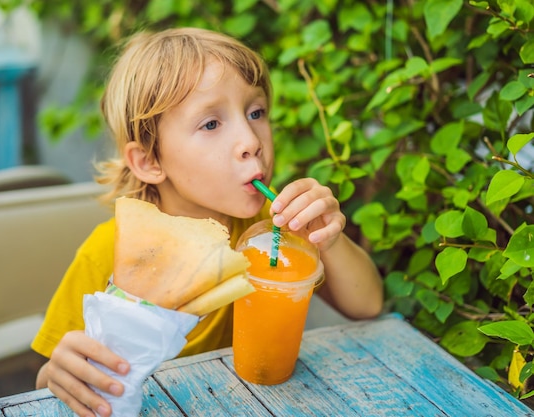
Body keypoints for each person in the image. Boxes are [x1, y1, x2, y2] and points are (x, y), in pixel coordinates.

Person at [31, 27, 383, 417]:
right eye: (211, 124)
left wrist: (328, 239)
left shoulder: (270, 232)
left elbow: (366, 305)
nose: (251, 139)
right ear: (150, 161)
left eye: (256, 112)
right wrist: (55, 372)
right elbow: (51, 384)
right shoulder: (108, 252)